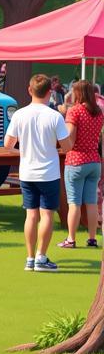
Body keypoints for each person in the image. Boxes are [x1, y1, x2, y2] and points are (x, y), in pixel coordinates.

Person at [4, 73, 74, 273]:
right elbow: (67, 146)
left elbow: (7, 144)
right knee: (46, 215)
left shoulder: (19, 114)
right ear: (50, 92)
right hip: (48, 172)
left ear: (29, 90)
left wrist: (22, 152)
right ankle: (41, 257)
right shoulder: (54, 116)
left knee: (31, 215)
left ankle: (30, 257)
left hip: (27, 172)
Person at [58, 79, 103, 250]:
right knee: (91, 202)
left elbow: (70, 136)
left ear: (77, 93)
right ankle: (92, 238)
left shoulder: (75, 111)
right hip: (94, 160)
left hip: (76, 160)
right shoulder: (98, 112)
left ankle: (71, 238)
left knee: (74, 203)